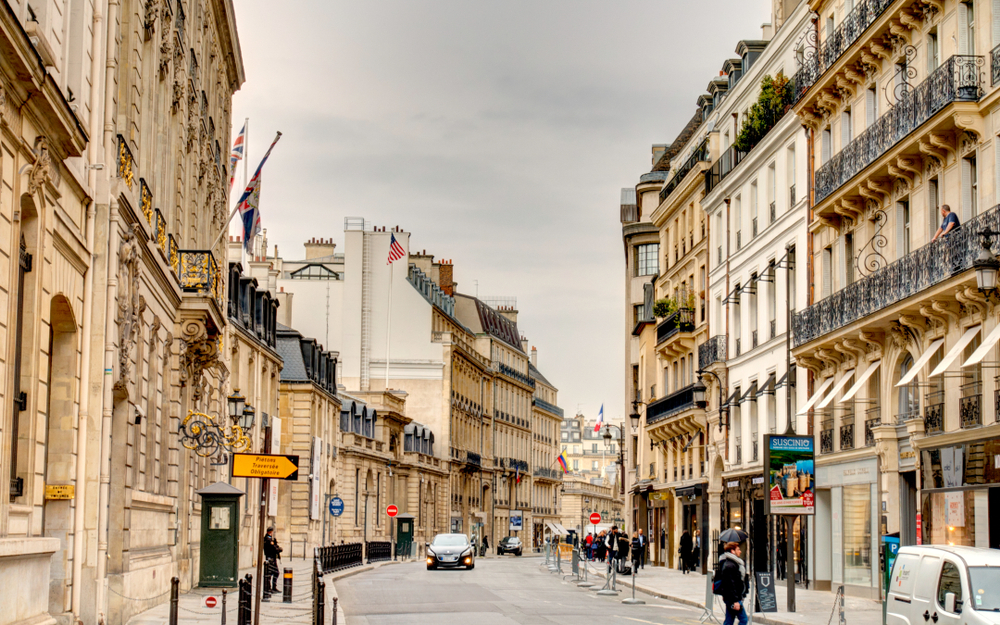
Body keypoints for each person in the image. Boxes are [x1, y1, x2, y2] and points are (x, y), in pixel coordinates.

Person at [717, 542, 749, 625]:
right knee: (743, 620)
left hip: (731, 597)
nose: (740, 551)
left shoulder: (733, 563)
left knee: (729, 621)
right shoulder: (730, 566)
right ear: (732, 551)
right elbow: (730, 585)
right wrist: (735, 601)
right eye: (738, 549)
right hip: (733, 598)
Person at [263, 527, 282, 593]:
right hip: (270, 558)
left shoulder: (269, 539)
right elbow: (273, 548)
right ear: (270, 532)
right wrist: (279, 549)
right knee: (274, 573)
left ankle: (272, 587)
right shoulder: (268, 539)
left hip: (271, 558)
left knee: (273, 573)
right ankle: (271, 588)